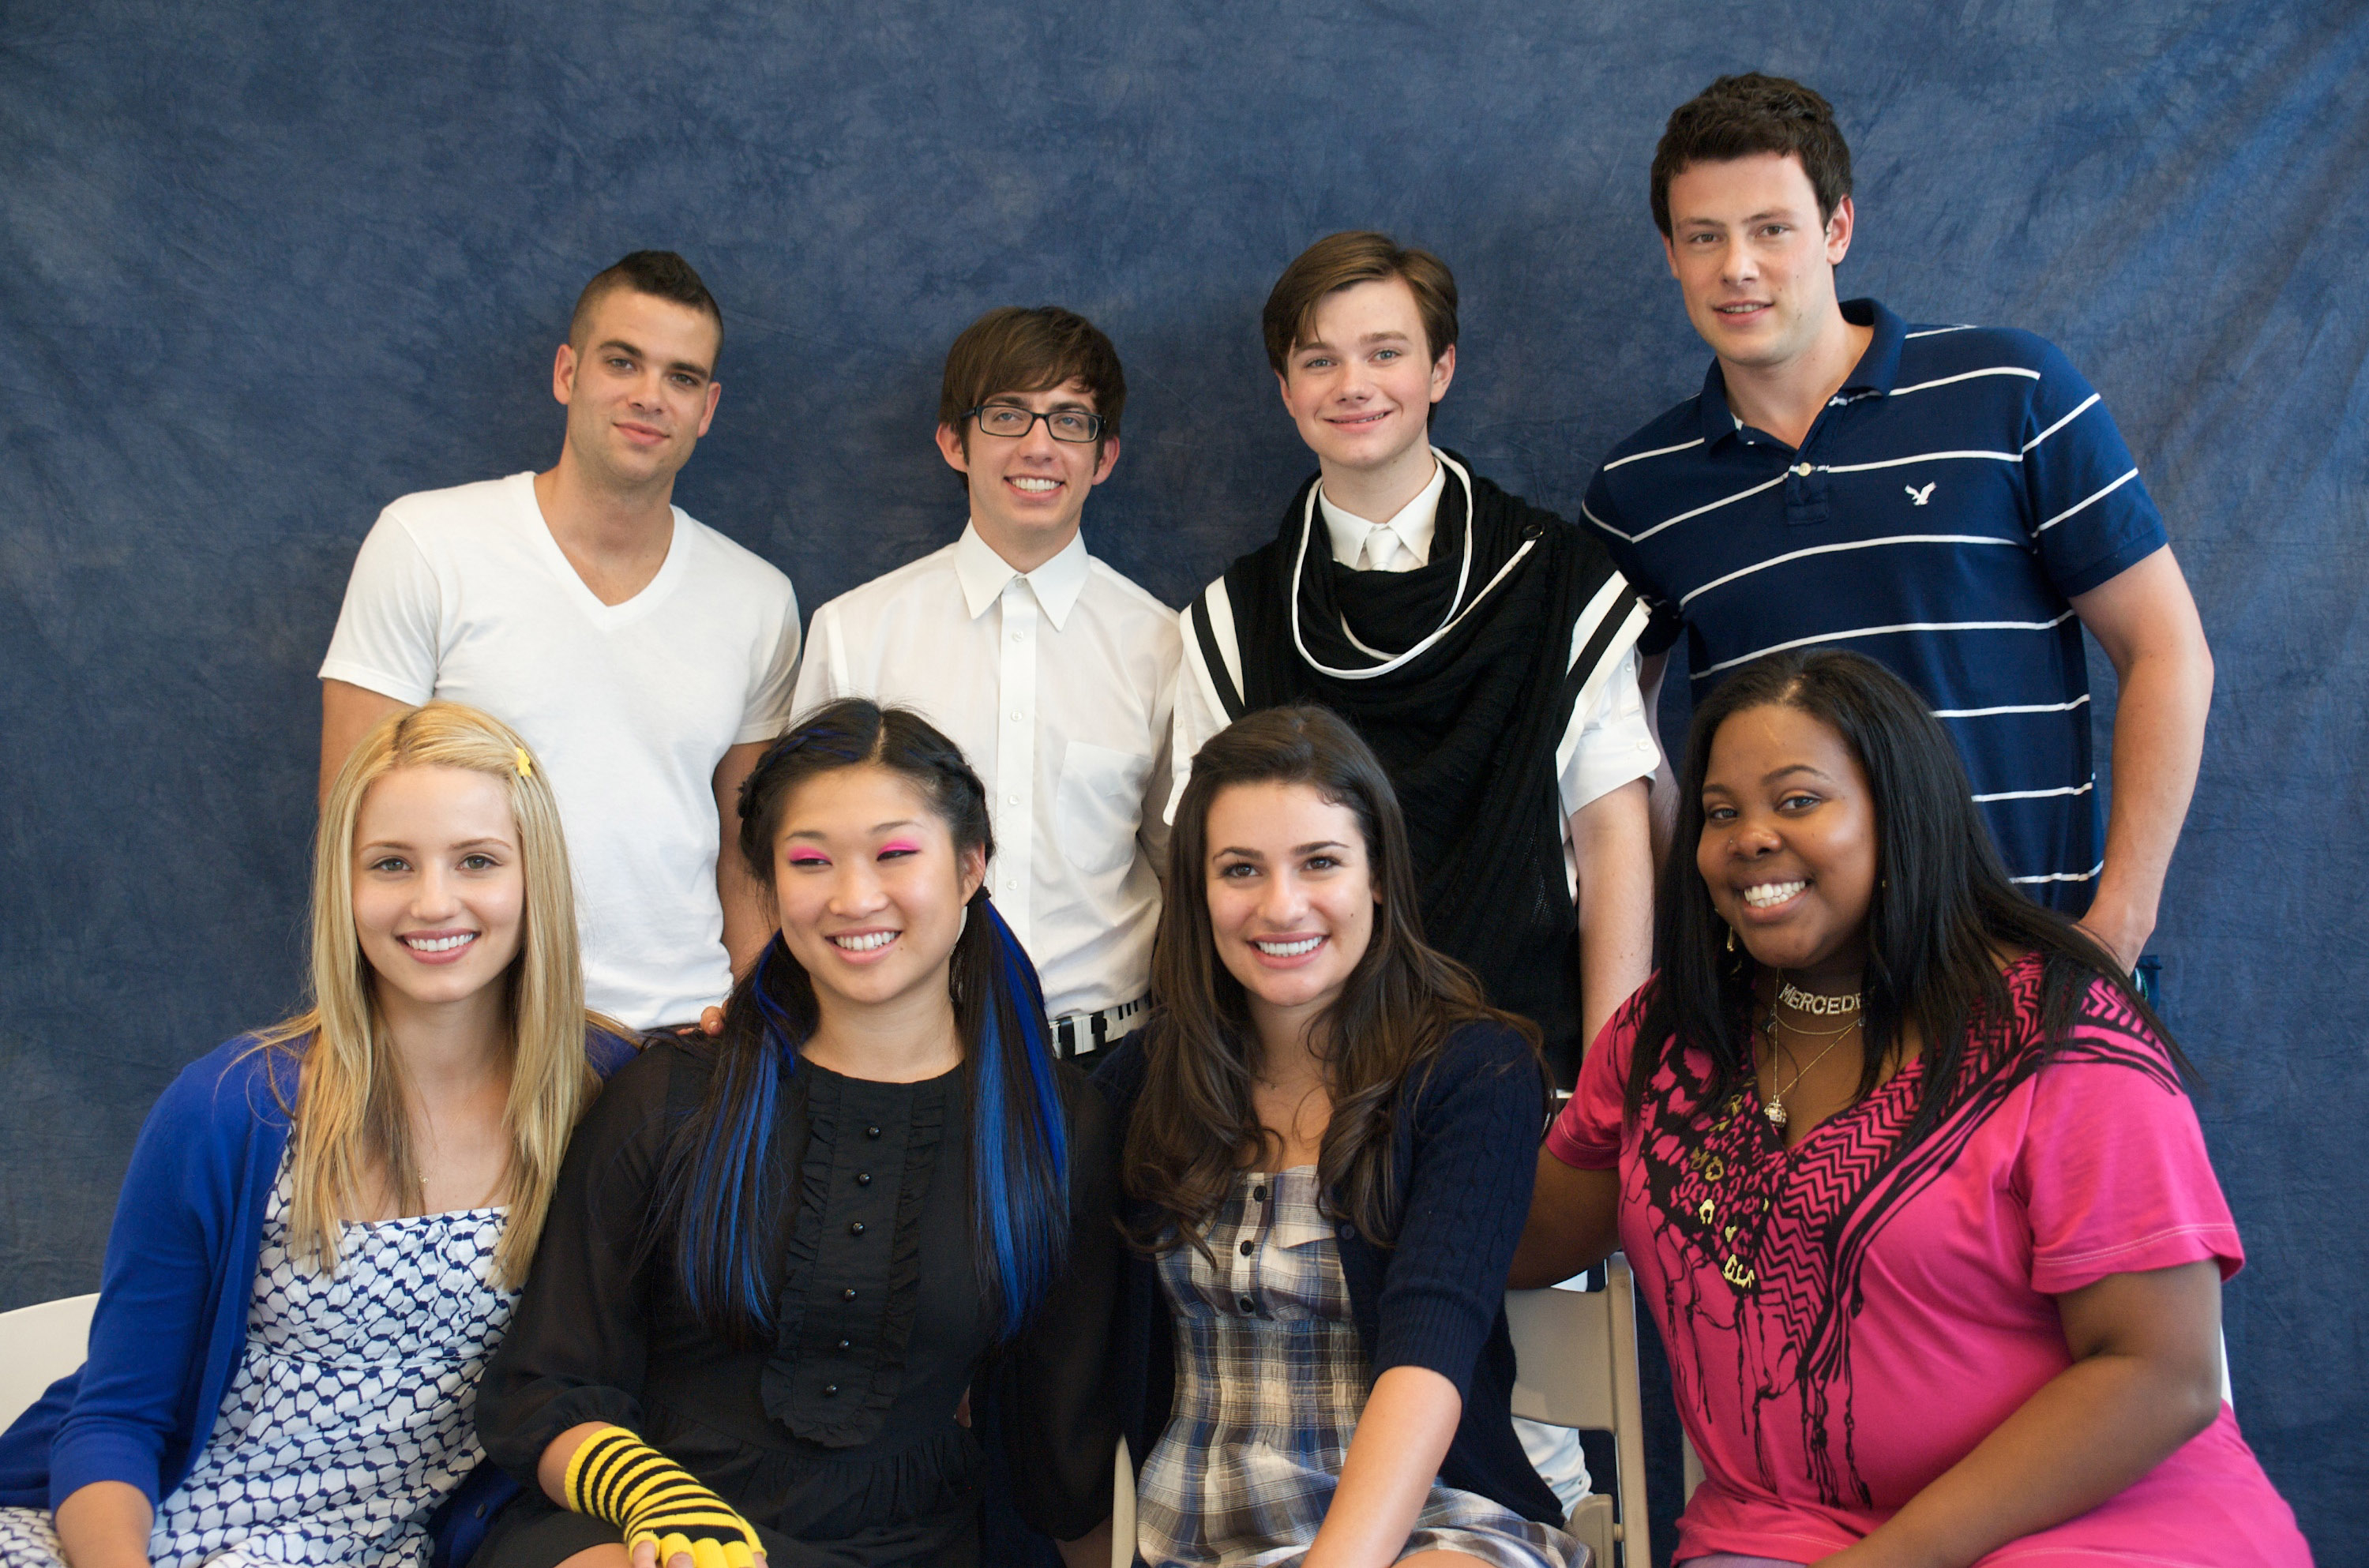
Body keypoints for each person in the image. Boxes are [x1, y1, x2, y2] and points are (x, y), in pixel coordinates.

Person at [1512, 649, 2308, 1566]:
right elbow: (1526, 1238)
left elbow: (2162, 1373)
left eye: (1798, 800)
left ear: (1901, 817)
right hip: (1782, 1540)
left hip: (2099, 1528)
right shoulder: (1671, 1040)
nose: (1751, 836)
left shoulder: (2061, 1035)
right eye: (1721, 812)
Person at [1582, 74, 2213, 976]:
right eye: (1704, 237)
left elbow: (2166, 652)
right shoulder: (1639, 491)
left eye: (1771, 229)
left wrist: (2117, 925)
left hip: (2037, 968)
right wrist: (1719, 916)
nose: (1738, 268)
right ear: (1670, 253)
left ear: (1837, 227)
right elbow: (1618, 740)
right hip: (1798, 1004)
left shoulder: (2010, 391)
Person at [469, 700, 1120, 1568]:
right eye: (811, 862)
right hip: (643, 1538)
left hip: (914, 1545)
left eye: (895, 854)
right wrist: (655, 1505)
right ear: (770, 887)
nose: (854, 898)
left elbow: (1062, 1452)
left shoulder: (1057, 1129)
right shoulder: (671, 1096)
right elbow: (541, 1388)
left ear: (970, 866)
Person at [0, 703, 639, 1568]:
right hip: (148, 1531)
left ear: (537, 879)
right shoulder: (232, 1107)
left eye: (478, 861)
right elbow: (117, 1418)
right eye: (391, 864)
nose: (433, 901)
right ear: (344, 883)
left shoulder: (608, 1092)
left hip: (391, 1548)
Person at [1098, 705, 1582, 1568]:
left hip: (1430, 1530)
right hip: (1195, 1543)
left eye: (1320, 862)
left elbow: (1431, 1348)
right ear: (1198, 890)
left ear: (1379, 878)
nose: (1282, 907)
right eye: (1240, 869)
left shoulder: (1476, 1072)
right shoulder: (1145, 1081)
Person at [1174, 232, 1656, 1087]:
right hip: (1317, 1080)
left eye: (1385, 353)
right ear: (1285, 392)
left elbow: (1613, 839)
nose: (1353, 385)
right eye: (1319, 362)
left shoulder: (1556, 580)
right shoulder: (1233, 615)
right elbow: (1211, 863)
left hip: (1536, 1064)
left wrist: (1606, 1095)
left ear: (1440, 371)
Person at [320, 249, 802, 1031]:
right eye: (623, 362)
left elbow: (747, 854)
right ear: (567, 373)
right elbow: (355, 820)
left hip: (680, 1034)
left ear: (707, 408)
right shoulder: (426, 543)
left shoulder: (758, 599)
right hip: (482, 1033)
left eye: (681, 378)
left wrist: (755, 1020)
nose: (650, 397)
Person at [793, 306, 1177, 1068]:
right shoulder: (854, 634)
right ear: (953, 442)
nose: (1039, 445)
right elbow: (805, 858)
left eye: (1071, 420)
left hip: (1112, 1070)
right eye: (1008, 415)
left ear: (1104, 457)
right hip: (901, 1055)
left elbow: (1179, 861)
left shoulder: (1164, 645)